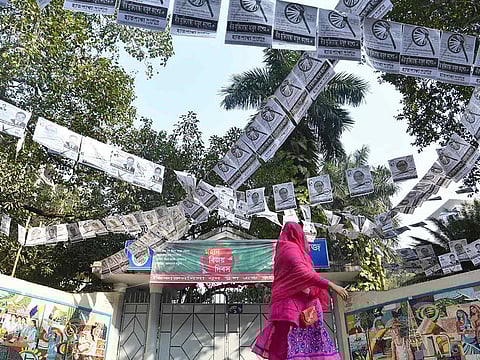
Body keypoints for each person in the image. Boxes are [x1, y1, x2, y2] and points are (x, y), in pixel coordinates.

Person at [252, 223, 348, 360]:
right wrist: (331, 285)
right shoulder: (290, 249)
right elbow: (303, 273)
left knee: (287, 347)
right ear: (297, 234)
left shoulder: (285, 251)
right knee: (294, 347)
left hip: (293, 309)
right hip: (293, 310)